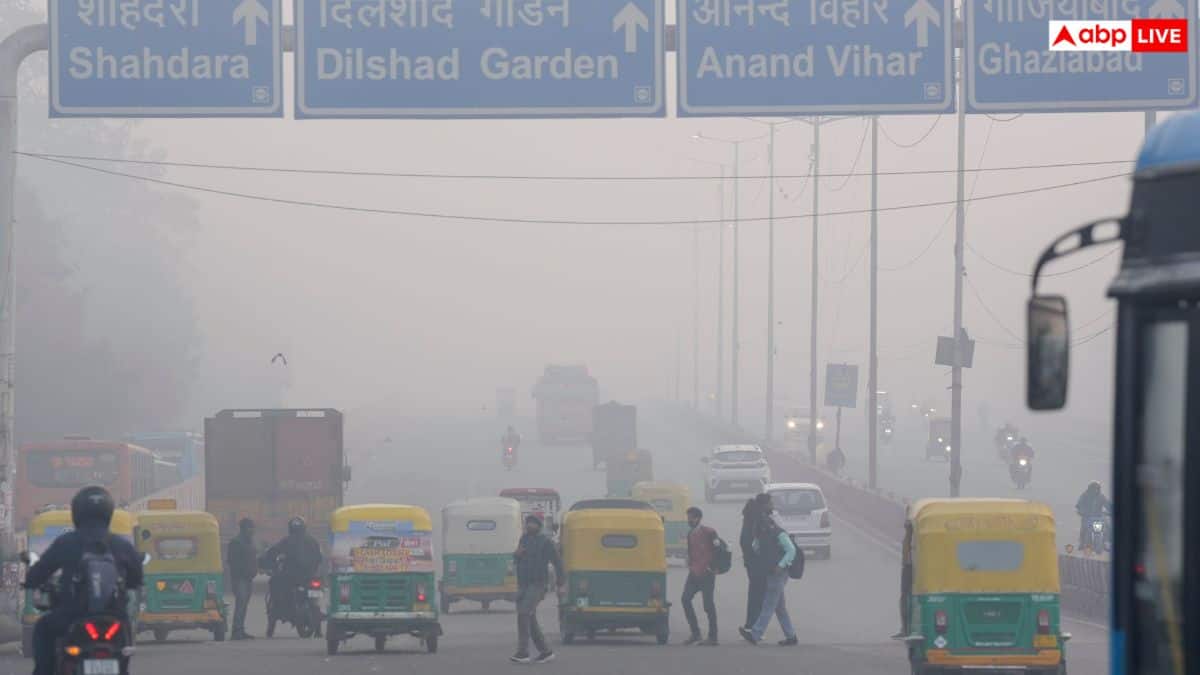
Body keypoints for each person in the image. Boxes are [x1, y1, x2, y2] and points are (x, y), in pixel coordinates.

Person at [25, 486, 144, 675]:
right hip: (115, 618)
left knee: (42, 628)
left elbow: (38, 573)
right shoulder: (121, 545)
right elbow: (137, 578)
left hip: (72, 616)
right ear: (108, 512)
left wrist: (30, 581)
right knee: (124, 647)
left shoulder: (67, 542)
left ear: (77, 512)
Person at [739, 510, 798, 647]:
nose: (761, 528)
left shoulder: (779, 534)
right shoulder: (764, 534)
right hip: (770, 572)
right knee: (780, 608)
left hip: (779, 573)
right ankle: (791, 636)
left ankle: (755, 634)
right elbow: (755, 547)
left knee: (768, 604)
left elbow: (791, 550)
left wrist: (781, 564)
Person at [511, 514, 563, 664]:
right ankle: (546, 652)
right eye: (528, 523)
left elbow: (558, 563)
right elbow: (516, 558)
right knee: (529, 619)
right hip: (523, 585)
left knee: (523, 613)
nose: (530, 526)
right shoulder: (524, 539)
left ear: (538, 526)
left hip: (538, 584)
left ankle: (523, 652)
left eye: (533, 523)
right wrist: (516, 555)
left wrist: (561, 583)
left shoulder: (546, 542)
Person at [260, 516, 323, 636]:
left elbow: (272, 552)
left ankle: (275, 615)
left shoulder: (287, 541)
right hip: (310, 576)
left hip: (290, 576)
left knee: (274, 583)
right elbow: (320, 558)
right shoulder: (313, 541)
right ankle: (319, 630)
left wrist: (267, 563)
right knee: (315, 598)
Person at [681, 506, 719, 646]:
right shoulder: (690, 534)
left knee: (708, 605)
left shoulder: (709, 532)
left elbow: (718, 550)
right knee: (685, 599)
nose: (689, 520)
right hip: (694, 573)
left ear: (698, 518)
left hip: (707, 574)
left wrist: (712, 567)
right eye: (688, 518)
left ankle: (713, 637)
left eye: (691, 518)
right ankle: (695, 633)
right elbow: (691, 552)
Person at [226, 518, 258, 640]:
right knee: (241, 605)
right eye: (250, 528)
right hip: (240, 579)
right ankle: (236, 631)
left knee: (244, 605)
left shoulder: (249, 541)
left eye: (253, 527)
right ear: (243, 529)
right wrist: (244, 573)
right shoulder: (236, 542)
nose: (252, 530)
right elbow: (233, 563)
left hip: (247, 578)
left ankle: (240, 630)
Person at [739, 498, 764, 632]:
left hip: (750, 564)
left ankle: (751, 623)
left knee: (754, 595)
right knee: (759, 596)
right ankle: (755, 626)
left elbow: (743, 542)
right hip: (757, 565)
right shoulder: (755, 524)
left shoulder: (746, 523)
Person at [1075, 481, 1112, 548]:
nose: (1095, 490)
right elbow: (1079, 504)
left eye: (1097, 489)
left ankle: (1106, 541)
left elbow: (1107, 505)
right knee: (1084, 528)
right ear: (1090, 489)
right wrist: (1081, 511)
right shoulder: (1085, 495)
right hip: (1087, 516)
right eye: (1094, 488)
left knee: (1107, 526)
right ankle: (1082, 542)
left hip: (1098, 517)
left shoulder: (1101, 496)